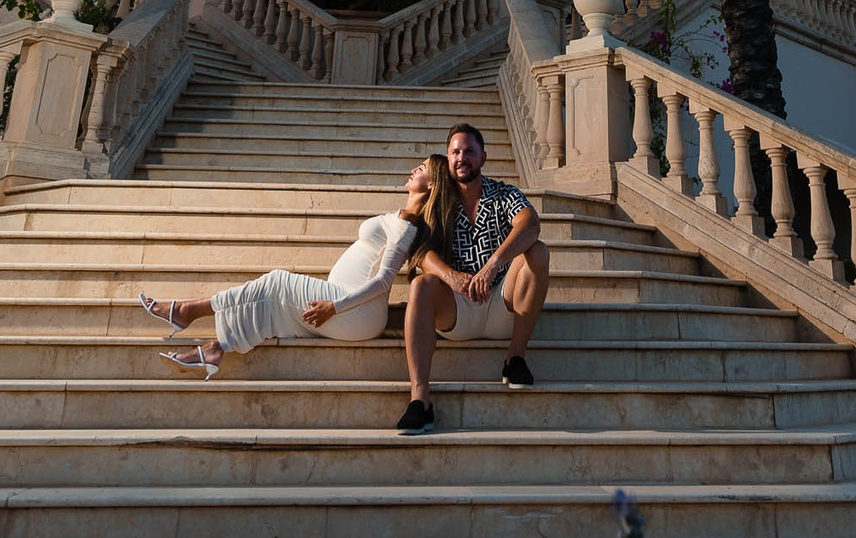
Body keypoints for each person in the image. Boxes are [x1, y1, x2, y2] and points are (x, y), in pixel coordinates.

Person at [140, 157, 458, 379]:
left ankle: (188, 311)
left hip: (357, 313)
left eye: (422, 169)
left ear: (431, 185)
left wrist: (335, 306)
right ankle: (215, 348)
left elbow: (383, 281)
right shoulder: (401, 217)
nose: (414, 169)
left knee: (277, 282)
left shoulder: (406, 226)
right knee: (274, 305)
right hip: (349, 307)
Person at [395, 121, 551, 435]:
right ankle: (420, 400)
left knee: (537, 252)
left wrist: (493, 264)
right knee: (421, 284)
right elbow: (419, 250)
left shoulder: (503, 194)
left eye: (469, 151)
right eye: (455, 152)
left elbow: (531, 224)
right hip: (457, 309)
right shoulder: (439, 199)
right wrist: (451, 277)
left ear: (483, 158)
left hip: (503, 305)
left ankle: (515, 358)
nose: (461, 158)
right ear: (448, 158)